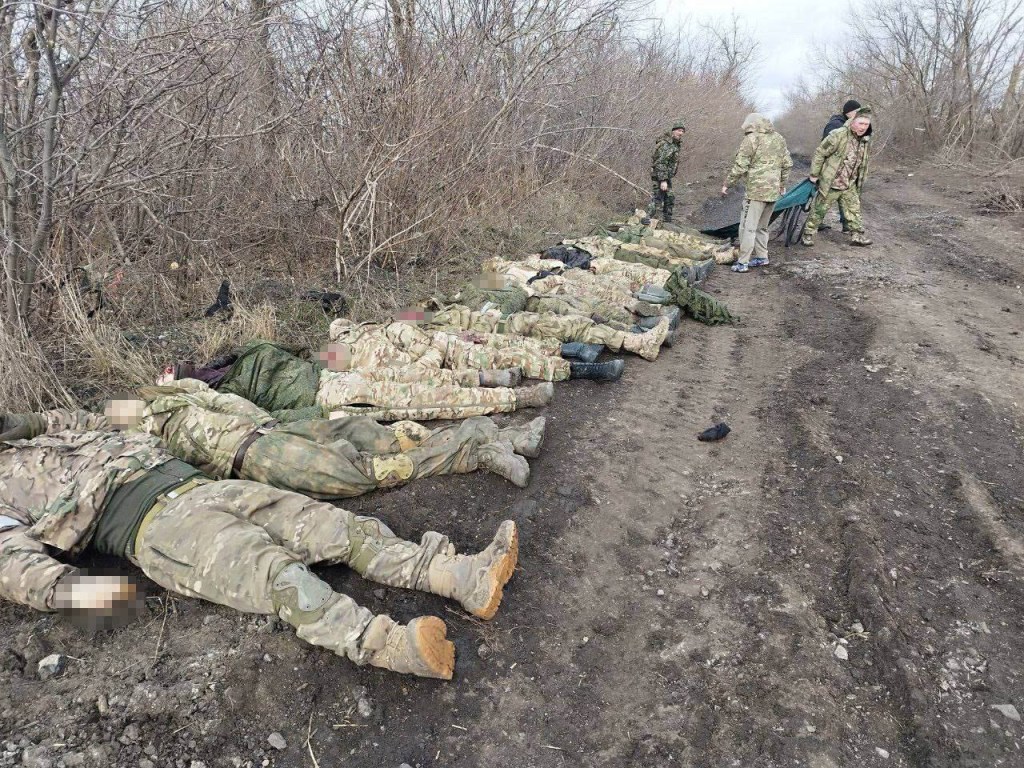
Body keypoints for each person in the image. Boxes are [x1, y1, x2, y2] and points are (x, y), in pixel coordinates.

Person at [0, 420, 520, 679]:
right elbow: (12, 565)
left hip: (198, 484)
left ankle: (458, 576)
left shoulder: (48, 426)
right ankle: (389, 645)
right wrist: (81, 594)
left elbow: (124, 421)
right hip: (156, 529)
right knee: (278, 577)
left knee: (337, 526)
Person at [0, 383, 546, 492]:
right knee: (353, 475)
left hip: (266, 432)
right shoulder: (131, 424)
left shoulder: (173, 395)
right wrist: (24, 427)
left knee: (367, 433)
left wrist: (194, 395)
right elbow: (73, 420)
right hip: (250, 457)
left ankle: (498, 432)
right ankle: (479, 447)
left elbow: (228, 402)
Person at [161, 340, 554, 422]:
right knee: (420, 399)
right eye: (175, 373)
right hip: (331, 394)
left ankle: (488, 377)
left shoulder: (237, 360)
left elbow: (287, 349)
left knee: (416, 374)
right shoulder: (226, 396)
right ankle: (514, 398)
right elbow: (270, 421)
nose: (176, 365)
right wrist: (326, 413)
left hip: (333, 373)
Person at [328, 318, 624, 383]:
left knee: (515, 345)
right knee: (517, 356)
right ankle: (587, 370)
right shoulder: (377, 347)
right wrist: (444, 343)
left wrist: (451, 336)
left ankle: (578, 352)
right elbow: (421, 367)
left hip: (453, 349)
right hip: (452, 361)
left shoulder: (377, 339)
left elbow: (422, 339)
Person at [720, 113, 793, 273]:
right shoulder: (778, 138)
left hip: (755, 192)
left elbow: (740, 166)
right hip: (773, 191)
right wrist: (782, 184)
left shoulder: (751, 139)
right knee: (762, 227)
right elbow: (787, 163)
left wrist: (727, 184)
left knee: (748, 227)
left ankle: (743, 262)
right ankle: (762, 257)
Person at [801, 106, 874, 247]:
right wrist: (814, 174)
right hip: (832, 182)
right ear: (853, 122)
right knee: (819, 210)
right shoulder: (838, 135)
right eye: (861, 124)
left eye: (866, 124)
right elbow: (820, 153)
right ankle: (808, 234)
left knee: (854, 210)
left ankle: (857, 236)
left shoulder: (865, 139)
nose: (864, 127)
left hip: (849, 183)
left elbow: (863, 162)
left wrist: (860, 179)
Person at [821, 99, 862, 233]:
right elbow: (828, 148)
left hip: (846, 169)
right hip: (833, 169)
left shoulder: (848, 125)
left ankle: (847, 224)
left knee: (844, 197)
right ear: (849, 112)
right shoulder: (835, 125)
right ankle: (814, 224)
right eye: (857, 112)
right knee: (825, 197)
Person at [646, 120, 685, 223]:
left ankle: (667, 221)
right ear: (673, 131)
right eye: (679, 130)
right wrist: (663, 180)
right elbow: (660, 162)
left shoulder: (675, 144)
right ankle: (648, 219)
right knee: (658, 197)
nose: (681, 133)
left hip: (666, 176)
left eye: (682, 131)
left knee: (669, 197)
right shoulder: (666, 144)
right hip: (660, 175)